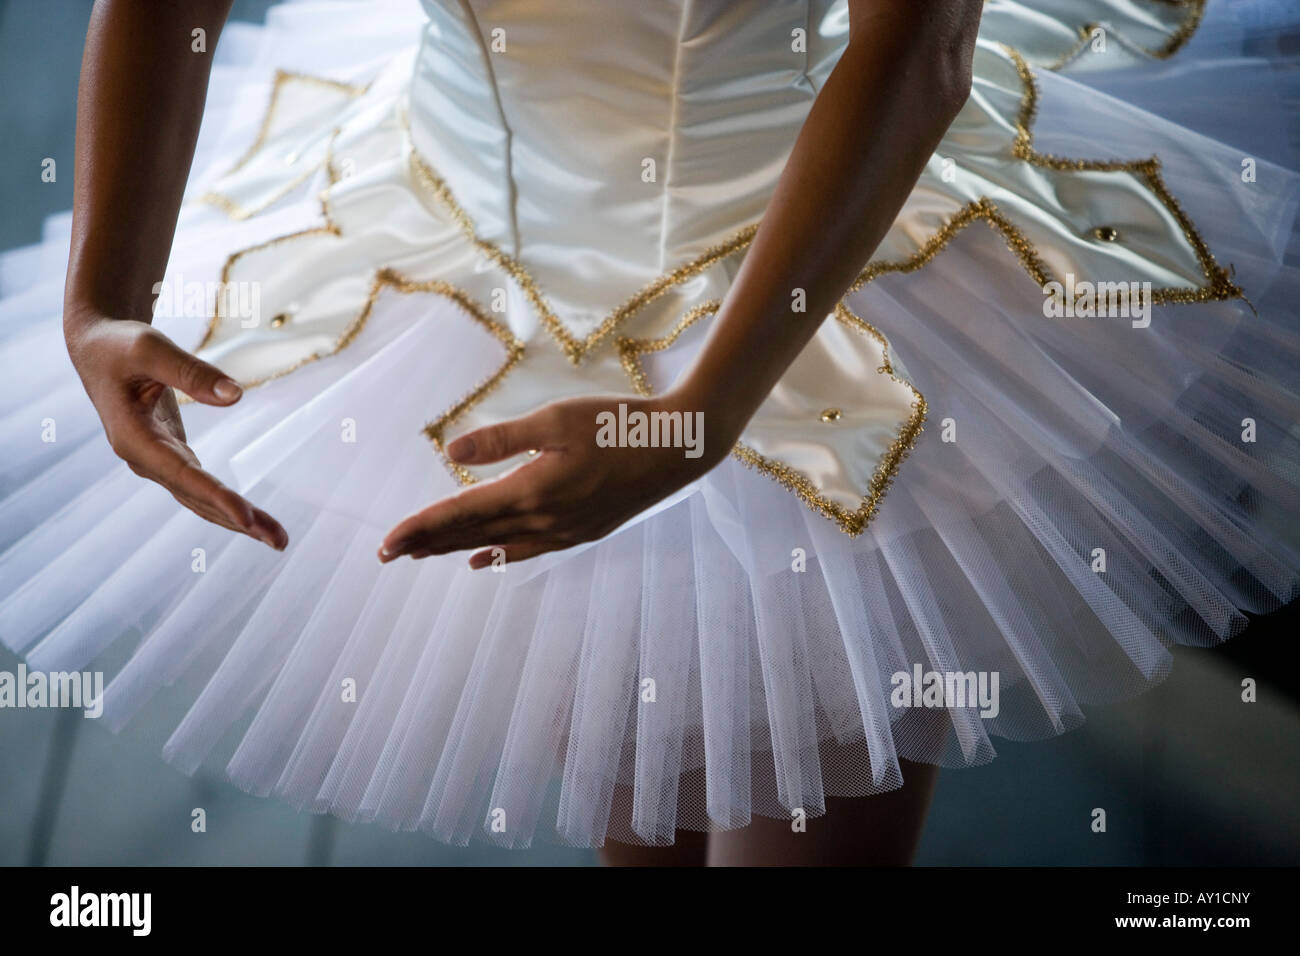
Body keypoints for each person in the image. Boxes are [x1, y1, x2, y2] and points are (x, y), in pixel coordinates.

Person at [2, 0, 1296, 864]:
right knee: (634, 762)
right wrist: (105, 301)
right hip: (453, 238)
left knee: (803, 782)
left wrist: (700, 414)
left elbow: (915, 49)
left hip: (806, 256)